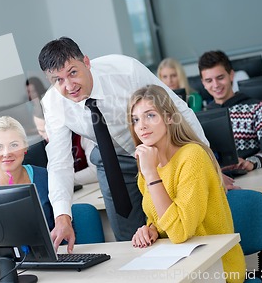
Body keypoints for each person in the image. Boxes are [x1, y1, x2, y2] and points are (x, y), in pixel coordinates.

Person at [38, 36, 207, 251]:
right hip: (113, 161)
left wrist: (208, 160)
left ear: (86, 62)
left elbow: (178, 109)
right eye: (58, 80)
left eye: (72, 72)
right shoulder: (53, 103)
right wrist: (62, 216)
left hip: (160, 153)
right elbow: (59, 163)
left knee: (180, 223)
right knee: (130, 240)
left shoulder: (125, 70)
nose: (69, 85)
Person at [128, 85, 245, 283]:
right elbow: (158, 216)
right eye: (136, 119)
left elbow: (180, 231)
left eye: (150, 115)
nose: (141, 126)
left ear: (169, 118)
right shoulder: (148, 164)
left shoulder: (192, 156)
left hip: (216, 268)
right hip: (178, 264)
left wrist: (151, 175)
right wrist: (151, 229)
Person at [199, 50, 262, 172]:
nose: (215, 85)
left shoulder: (258, 108)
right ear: (203, 83)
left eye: (220, 78)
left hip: (255, 173)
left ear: (231, 75)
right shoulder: (202, 116)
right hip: (220, 180)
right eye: (209, 81)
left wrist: (250, 163)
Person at [0, 116, 54, 230]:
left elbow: (64, 227)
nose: (6, 153)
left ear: (25, 147)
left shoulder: (47, 178)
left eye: (14, 145)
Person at [32, 105, 98, 186]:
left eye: (51, 130)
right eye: (41, 131)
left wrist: (60, 181)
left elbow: (96, 171)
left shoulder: (82, 135)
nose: (47, 136)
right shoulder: (38, 150)